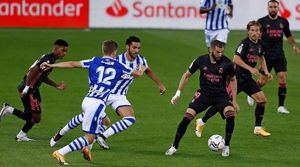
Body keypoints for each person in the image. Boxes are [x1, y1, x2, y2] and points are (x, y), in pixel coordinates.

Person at [49, 36, 166, 150]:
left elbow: (148, 71)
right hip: (105, 93)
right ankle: (61, 133)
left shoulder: (141, 60)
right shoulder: (117, 60)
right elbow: (137, 73)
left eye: (138, 48)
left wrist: (159, 84)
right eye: (134, 47)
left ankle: (102, 136)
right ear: (127, 47)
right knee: (86, 117)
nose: (136, 50)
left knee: (129, 119)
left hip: (119, 95)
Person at [42, 40, 146, 165]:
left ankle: (64, 136)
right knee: (89, 137)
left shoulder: (94, 60)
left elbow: (72, 64)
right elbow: (138, 74)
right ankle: (61, 152)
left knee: (105, 121)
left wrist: (53, 66)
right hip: (97, 103)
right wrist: (141, 68)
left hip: (87, 99)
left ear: (103, 50)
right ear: (115, 52)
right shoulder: (119, 65)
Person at [196, 21, 273, 138]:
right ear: (248, 31)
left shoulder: (260, 44)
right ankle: (202, 121)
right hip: (235, 78)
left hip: (247, 79)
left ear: (260, 32)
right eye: (252, 30)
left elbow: (262, 58)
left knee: (262, 100)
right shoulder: (244, 44)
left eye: (257, 30)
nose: (254, 33)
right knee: (221, 103)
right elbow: (236, 59)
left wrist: (266, 72)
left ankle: (257, 128)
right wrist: (251, 69)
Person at [165, 40, 239, 157]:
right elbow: (186, 75)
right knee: (186, 118)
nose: (220, 55)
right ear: (211, 50)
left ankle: (226, 146)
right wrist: (178, 93)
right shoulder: (200, 60)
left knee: (231, 115)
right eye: (217, 52)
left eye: (221, 52)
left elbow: (233, 80)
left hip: (221, 95)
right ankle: (174, 146)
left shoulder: (227, 64)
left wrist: (234, 100)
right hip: (204, 95)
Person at [0, 39, 69, 141]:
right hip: (30, 89)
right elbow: (33, 71)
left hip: (31, 88)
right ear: (56, 49)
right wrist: (26, 89)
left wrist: (56, 85)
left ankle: (21, 135)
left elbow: (41, 76)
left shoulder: (50, 59)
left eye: (66, 51)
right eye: (63, 50)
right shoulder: (48, 60)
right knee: (36, 118)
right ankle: (8, 110)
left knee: (30, 115)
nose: (65, 53)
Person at [247, 0, 300, 114]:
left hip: (279, 55)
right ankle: (251, 93)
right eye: (270, 7)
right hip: (266, 56)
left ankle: (281, 106)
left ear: (278, 8)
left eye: (275, 7)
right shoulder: (262, 22)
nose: (272, 9)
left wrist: (294, 46)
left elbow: (288, 35)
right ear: (268, 8)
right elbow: (256, 36)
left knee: (282, 77)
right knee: (262, 81)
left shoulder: (283, 22)